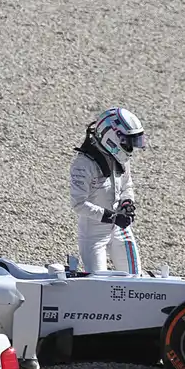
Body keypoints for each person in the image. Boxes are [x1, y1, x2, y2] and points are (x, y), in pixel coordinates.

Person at [69, 107, 146, 274]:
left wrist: (127, 202)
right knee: (100, 284)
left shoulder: (122, 159)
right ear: (112, 137)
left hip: (120, 229)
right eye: (128, 141)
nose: (131, 148)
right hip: (94, 235)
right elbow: (78, 204)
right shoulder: (83, 165)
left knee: (136, 279)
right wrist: (110, 216)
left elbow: (127, 185)